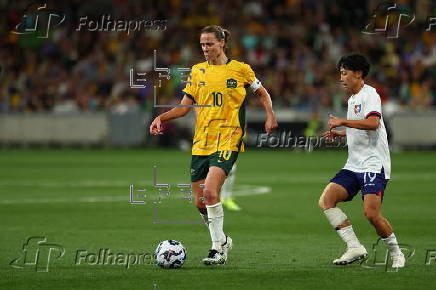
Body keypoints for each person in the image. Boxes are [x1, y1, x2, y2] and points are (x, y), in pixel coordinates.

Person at [150, 25, 277, 265]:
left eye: (209, 44)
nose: (205, 49)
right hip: (202, 142)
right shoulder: (197, 71)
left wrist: (270, 115)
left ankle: (217, 250)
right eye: (202, 45)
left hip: (229, 137)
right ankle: (223, 240)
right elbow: (184, 107)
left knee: (210, 192)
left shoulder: (240, 69)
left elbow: (262, 93)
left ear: (222, 43)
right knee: (199, 202)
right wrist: (162, 117)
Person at [319, 54, 405, 268]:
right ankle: (355, 247)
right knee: (326, 201)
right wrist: (342, 133)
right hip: (354, 164)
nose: (341, 78)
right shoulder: (353, 99)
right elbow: (360, 128)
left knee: (371, 213)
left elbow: (373, 123)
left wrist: (343, 121)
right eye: (341, 73)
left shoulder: (370, 95)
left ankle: (396, 253)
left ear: (358, 74)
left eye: (344, 73)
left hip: (373, 164)